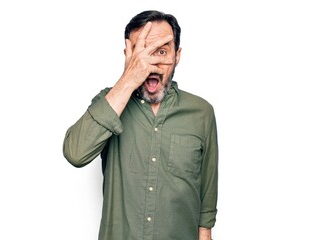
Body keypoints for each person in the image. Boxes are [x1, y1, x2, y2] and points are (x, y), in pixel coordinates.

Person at [63, 10, 218, 240]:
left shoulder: (201, 112)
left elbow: (206, 198)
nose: (152, 64)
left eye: (162, 51)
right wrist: (129, 78)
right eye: (142, 52)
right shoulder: (109, 103)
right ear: (129, 55)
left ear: (177, 56)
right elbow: (75, 153)